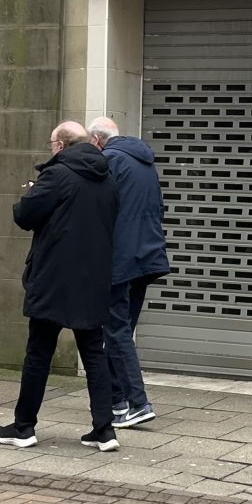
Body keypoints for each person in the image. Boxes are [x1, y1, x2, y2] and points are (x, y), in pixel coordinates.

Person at [0, 120, 121, 452]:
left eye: (51, 143)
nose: (50, 149)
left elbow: (25, 214)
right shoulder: (107, 178)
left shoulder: (57, 174)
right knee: (94, 354)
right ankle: (104, 430)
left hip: (55, 278)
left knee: (38, 354)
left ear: (61, 145)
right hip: (93, 278)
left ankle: (23, 427)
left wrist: (34, 189)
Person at [89, 116, 169, 429]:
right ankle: (118, 401)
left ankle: (137, 402)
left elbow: (99, 208)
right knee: (120, 332)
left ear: (96, 140)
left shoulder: (109, 161)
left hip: (121, 258)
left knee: (117, 331)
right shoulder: (144, 162)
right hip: (147, 256)